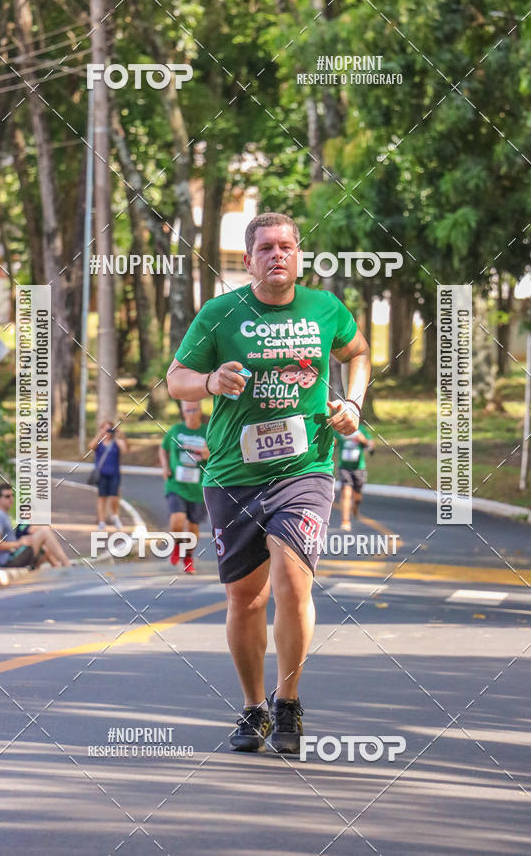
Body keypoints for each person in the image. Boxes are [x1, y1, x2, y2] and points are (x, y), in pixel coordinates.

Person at [166, 212, 370, 754]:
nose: (277, 255)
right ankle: (254, 706)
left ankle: (289, 701)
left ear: (298, 255)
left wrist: (353, 402)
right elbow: (175, 380)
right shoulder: (220, 313)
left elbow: (360, 354)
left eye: (286, 246)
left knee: (292, 579)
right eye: (265, 248)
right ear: (249, 258)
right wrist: (209, 380)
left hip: (305, 469)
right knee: (245, 600)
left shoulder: (325, 308)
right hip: (234, 474)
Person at [159, 401, 209, 574]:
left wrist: (207, 455)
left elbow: (217, 455)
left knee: (193, 526)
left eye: (193, 409)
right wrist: (165, 466)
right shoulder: (176, 430)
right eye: (187, 410)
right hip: (176, 484)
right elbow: (163, 448)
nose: (190, 413)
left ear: (199, 410)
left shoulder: (207, 432)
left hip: (198, 486)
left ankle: (188, 556)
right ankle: (176, 546)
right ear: (183, 412)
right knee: (178, 518)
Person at [0, 483, 72, 568]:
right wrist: (17, 543)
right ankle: (67, 565)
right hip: (9, 560)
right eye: (7, 496)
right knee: (44, 531)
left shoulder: (3, 514)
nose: (11, 499)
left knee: (45, 549)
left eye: (12, 495)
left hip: (14, 554)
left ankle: (57, 567)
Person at [89, 419, 128, 530]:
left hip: (114, 474)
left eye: (109, 429)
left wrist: (121, 436)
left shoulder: (116, 443)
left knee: (114, 497)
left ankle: (115, 516)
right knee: (102, 498)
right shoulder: (99, 443)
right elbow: (91, 446)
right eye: (105, 429)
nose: (107, 432)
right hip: (101, 475)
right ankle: (102, 521)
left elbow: (125, 449)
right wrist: (100, 434)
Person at [334, 424, 374, 530]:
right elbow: (332, 443)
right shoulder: (340, 428)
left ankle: (355, 507)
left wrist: (363, 440)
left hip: (359, 468)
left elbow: (371, 448)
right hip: (344, 467)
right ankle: (345, 521)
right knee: (346, 492)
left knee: (357, 496)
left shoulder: (361, 429)